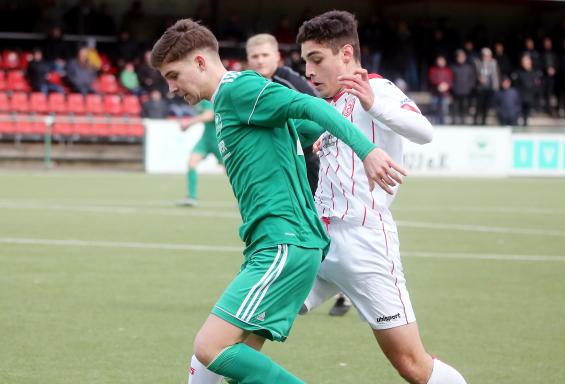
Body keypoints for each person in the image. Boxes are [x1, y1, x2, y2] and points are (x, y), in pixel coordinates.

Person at [151, 18, 405, 384]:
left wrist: (367, 151)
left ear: (201, 63)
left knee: (211, 348)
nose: (171, 88)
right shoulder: (229, 103)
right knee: (223, 361)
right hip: (272, 244)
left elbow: (312, 107)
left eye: (173, 75)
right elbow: (305, 125)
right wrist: (307, 140)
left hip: (283, 242)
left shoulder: (240, 90)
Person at [297, 11, 467, 384]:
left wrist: (374, 104)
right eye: (305, 60)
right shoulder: (331, 104)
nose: (308, 71)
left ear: (345, 53)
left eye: (316, 59)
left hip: (364, 242)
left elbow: (424, 132)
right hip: (318, 241)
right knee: (243, 324)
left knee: (412, 365)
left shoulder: (378, 89)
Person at [246, 33, 352, 317]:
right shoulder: (250, 86)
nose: (259, 61)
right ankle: (285, 284)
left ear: (277, 57)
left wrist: (318, 138)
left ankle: (343, 288)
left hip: (308, 161)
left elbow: (320, 108)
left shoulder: (289, 80)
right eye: (254, 57)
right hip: (282, 166)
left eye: (265, 56)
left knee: (320, 222)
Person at [176, 99, 220, 207]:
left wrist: (189, 123)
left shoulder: (207, 97)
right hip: (206, 139)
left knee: (232, 170)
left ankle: (248, 199)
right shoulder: (198, 101)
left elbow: (209, 115)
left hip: (218, 139)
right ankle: (192, 197)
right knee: (192, 162)